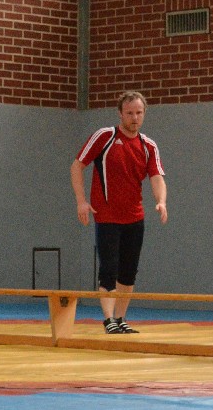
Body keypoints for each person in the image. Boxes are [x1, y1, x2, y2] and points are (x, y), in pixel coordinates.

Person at [70, 91, 167, 334]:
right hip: (107, 217)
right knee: (108, 269)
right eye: (130, 113)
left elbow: (156, 176)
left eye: (139, 113)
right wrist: (81, 201)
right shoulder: (105, 137)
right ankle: (108, 320)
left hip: (135, 217)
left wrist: (161, 202)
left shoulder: (148, 145)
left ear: (144, 113)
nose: (134, 118)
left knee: (128, 271)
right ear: (120, 114)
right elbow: (77, 166)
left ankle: (121, 318)